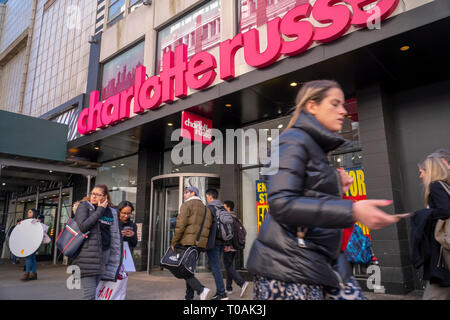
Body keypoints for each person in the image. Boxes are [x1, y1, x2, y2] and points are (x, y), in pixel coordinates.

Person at [247, 80, 403, 300]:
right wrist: (352, 210)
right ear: (312, 106)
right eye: (335, 103)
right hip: (289, 269)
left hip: (315, 265)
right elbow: (281, 203)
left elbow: (312, 205)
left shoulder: (314, 147)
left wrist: (340, 191)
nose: (343, 110)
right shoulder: (293, 140)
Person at [72, 184, 123, 300]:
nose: (93, 196)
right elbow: (83, 226)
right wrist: (100, 210)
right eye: (92, 193)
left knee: (95, 290)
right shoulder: (84, 206)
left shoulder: (111, 211)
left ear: (105, 197)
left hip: (104, 255)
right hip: (87, 256)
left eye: (98, 194)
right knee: (89, 295)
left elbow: (113, 233)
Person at [411, 157, 450, 300]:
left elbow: (445, 211)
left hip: (442, 248)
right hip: (444, 246)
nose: (420, 175)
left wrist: (423, 214)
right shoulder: (446, 185)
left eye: (421, 172)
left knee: (436, 289)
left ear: (430, 171)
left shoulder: (435, 186)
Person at [170, 186, 213, 300]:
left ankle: (201, 289)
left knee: (183, 270)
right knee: (189, 270)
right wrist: (203, 247)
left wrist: (174, 241)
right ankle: (189, 297)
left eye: (186, 192)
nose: (184, 195)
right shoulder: (206, 209)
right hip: (199, 245)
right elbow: (207, 228)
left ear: (193, 193)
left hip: (187, 243)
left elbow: (180, 226)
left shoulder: (187, 205)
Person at [205, 188, 234, 300]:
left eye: (207, 197)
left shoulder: (210, 208)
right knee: (217, 266)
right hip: (223, 241)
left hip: (214, 242)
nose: (207, 199)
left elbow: (207, 227)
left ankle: (222, 293)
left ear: (210, 196)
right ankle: (220, 291)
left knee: (215, 268)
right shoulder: (222, 208)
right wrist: (228, 243)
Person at [222, 200, 250, 298]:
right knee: (229, 266)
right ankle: (229, 288)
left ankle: (242, 283)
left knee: (228, 265)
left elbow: (228, 233)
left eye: (224, 206)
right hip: (235, 246)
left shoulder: (228, 217)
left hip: (229, 246)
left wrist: (227, 245)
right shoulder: (236, 218)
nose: (223, 208)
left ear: (228, 208)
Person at [21, 209, 49, 281]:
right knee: (32, 258)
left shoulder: (36, 221)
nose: (28, 213)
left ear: (34, 213)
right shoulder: (28, 222)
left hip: (32, 242)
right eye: (28, 212)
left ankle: (27, 273)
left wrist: (39, 223)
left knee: (28, 257)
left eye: (30, 212)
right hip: (30, 242)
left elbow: (44, 228)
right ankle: (33, 273)